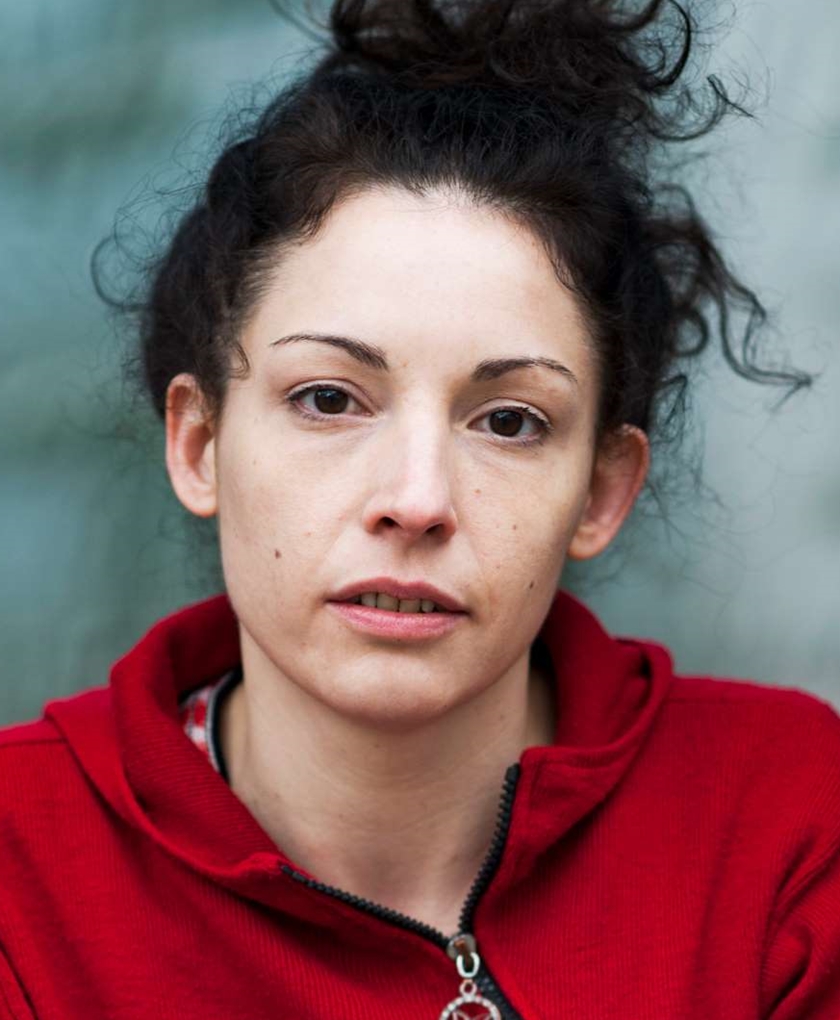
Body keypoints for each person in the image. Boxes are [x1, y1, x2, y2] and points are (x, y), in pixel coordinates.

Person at [1, 1, 838, 1017]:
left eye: (510, 421)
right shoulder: (22, 870)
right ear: (199, 444)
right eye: (329, 400)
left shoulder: (792, 821)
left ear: (602, 490)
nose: (417, 500)